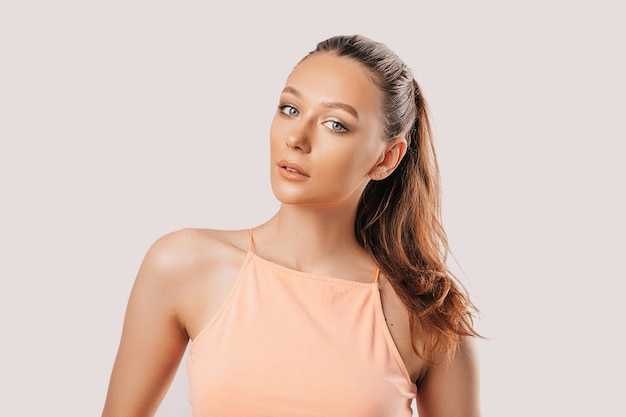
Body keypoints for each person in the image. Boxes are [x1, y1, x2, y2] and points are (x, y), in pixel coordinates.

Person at [101, 34, 482, 417]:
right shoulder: (184, 265)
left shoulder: (425, 315)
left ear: (386, 158)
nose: (297, 139)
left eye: (335, 124)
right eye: (290, 109)